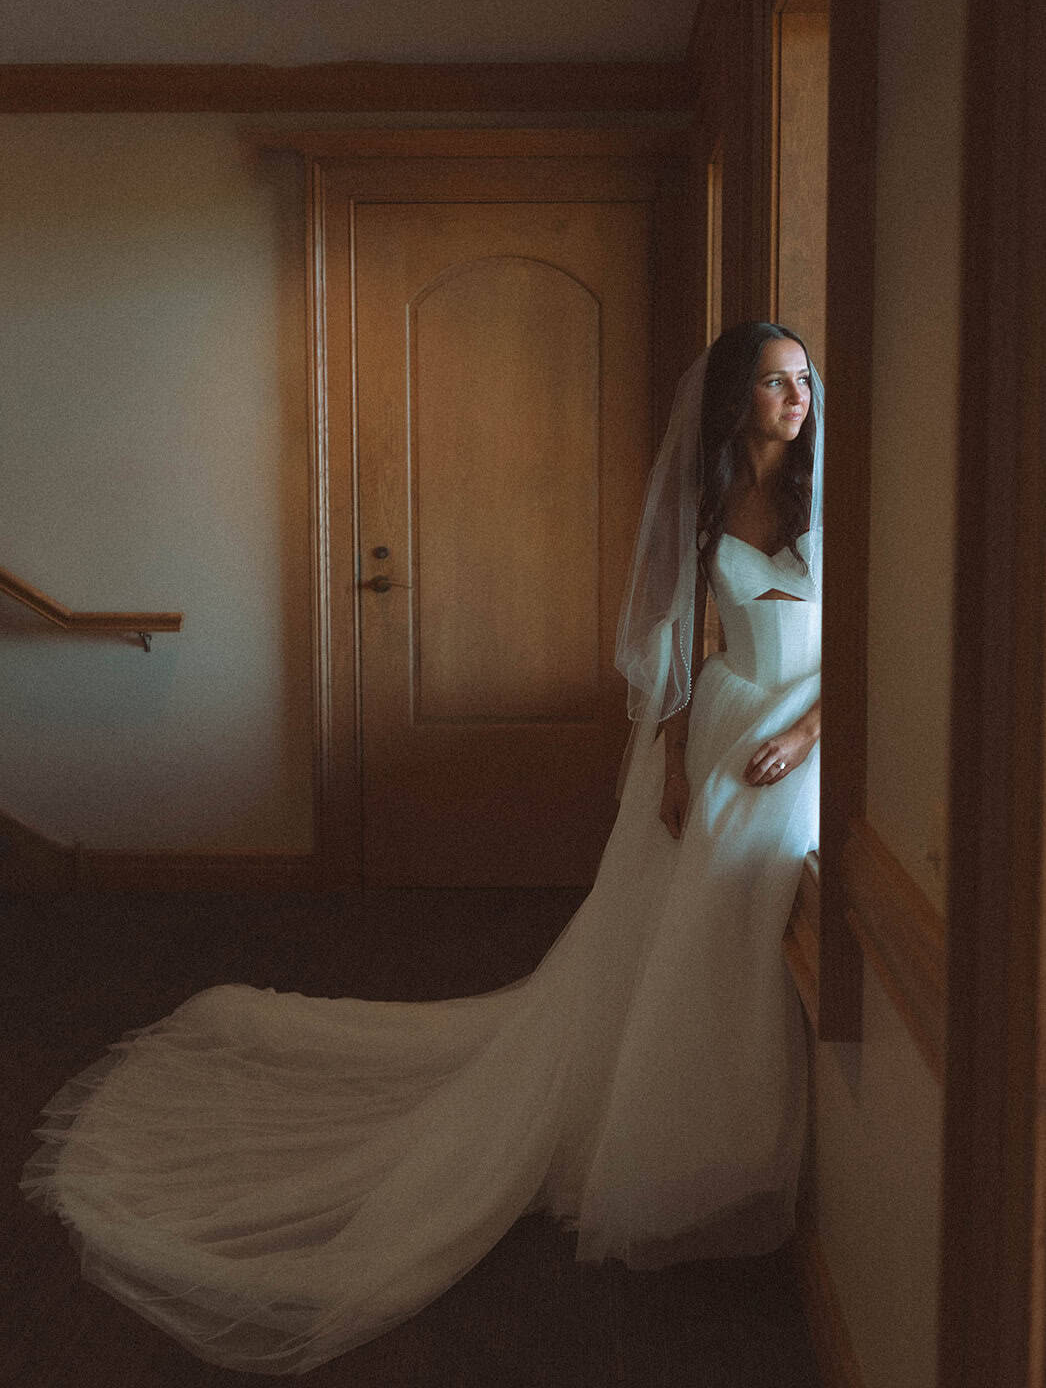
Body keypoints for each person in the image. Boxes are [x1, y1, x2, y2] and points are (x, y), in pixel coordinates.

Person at [22, 321, 823, 1376]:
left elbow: (852, 644)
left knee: (744, 905)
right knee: (683, 920)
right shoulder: (705, 501)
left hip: (799, 729)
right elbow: (676, 646)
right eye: (774, 382)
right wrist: (671, 757)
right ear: (735, 400)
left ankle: (722, 1145)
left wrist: (807, 733)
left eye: (802, 379)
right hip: (719, 727)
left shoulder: (826, 500)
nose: (796, 397)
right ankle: (665, 1135)